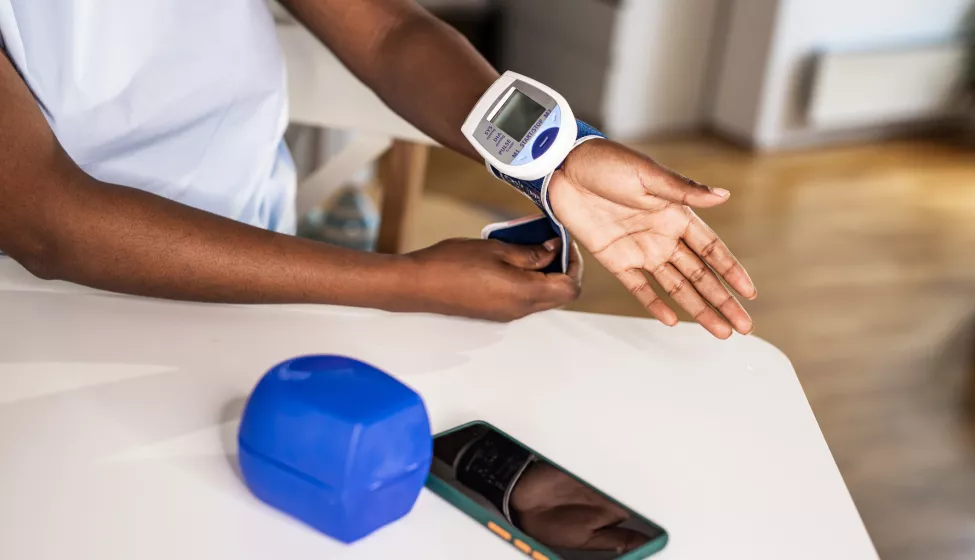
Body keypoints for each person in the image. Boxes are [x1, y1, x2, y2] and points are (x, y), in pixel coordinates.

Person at [0, 0, 755, 337]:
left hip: (263, 276)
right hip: (42, 316)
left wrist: (556, 158)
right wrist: (403, 283)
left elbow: (388, 31)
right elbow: (47, 220)